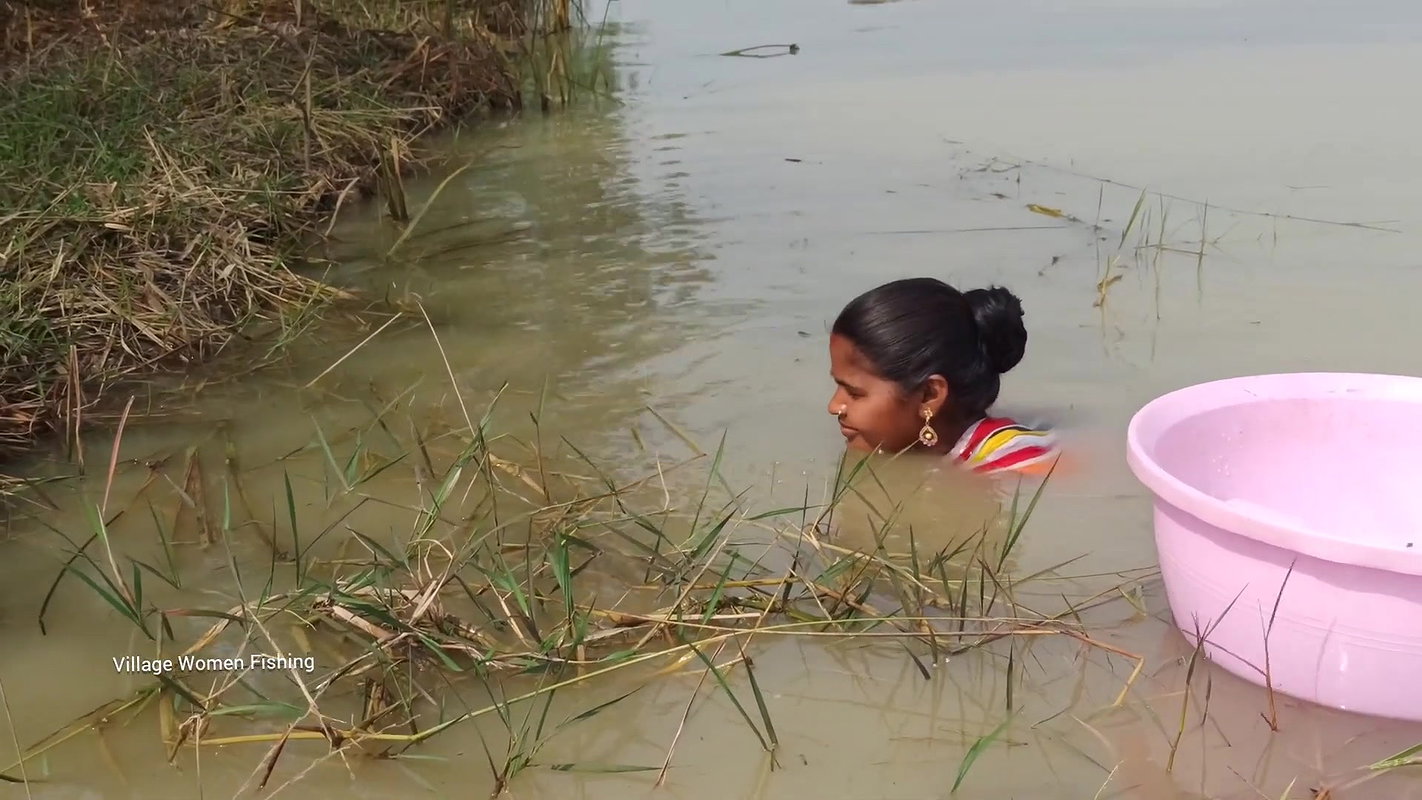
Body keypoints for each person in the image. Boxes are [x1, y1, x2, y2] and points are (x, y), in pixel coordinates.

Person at [826, 277, 1059, 476]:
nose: (834, 406)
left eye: (855, 393)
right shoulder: (920, 449)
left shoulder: (1021, 462)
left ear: (929, 395)